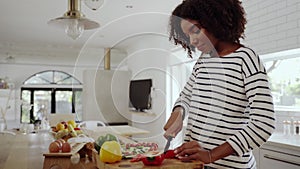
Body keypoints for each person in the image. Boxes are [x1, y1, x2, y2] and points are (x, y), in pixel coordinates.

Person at [163, 0, 275, 168]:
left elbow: (263, 122)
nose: (192, 41)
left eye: (196, 30)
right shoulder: (203, 61)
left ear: (214, 21)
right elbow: (186, 96)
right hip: (197, 164)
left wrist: (211, 155)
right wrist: (178, 113)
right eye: (188, 36)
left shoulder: (246, 59)